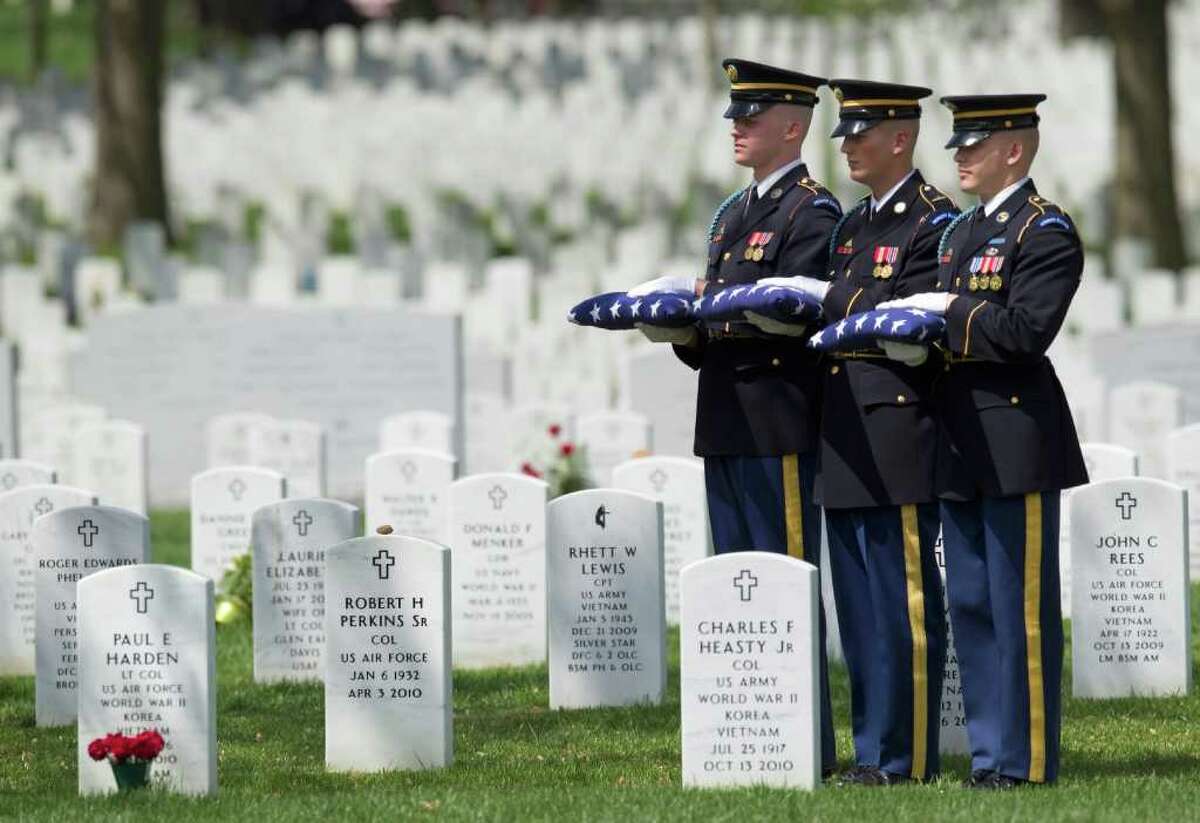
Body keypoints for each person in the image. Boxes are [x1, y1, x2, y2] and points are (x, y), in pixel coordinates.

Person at [628, 58, 841, 775]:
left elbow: (794, 317)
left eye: (751, 118)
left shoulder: (811, 213)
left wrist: (714, 322)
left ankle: (801, 740)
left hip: (777, 420)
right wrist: (683, 332)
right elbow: (718, 331)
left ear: (792, 124)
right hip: (724, 420)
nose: (738, 129)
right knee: (734, 586)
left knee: (783, 581)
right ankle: (743, 734)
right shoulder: (732, 214)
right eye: (735, 117)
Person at [877, 93, 1088, 789]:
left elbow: (1026, 331)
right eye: (959, 146)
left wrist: (950, 311)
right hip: (959, 437)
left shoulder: (1044, 231)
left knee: (1017, 604)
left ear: (1015, 151)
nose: (960, 156)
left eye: (974, 145)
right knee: (967, 600)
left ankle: (1025, 761)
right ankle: (989, 755)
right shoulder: (959, 233)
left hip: (1015, 437)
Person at [767, 79, 956, 785]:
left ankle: (907, 756)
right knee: (860, 612)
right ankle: (873, 750)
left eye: (860, 133)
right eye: (844, 133)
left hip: (899, 430)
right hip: (843, 432)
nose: (845, 143)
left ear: (900, 139)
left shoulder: (934, 222)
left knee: (903, 604)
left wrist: (830, 297)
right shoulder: (850, 226)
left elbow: (902, 311)